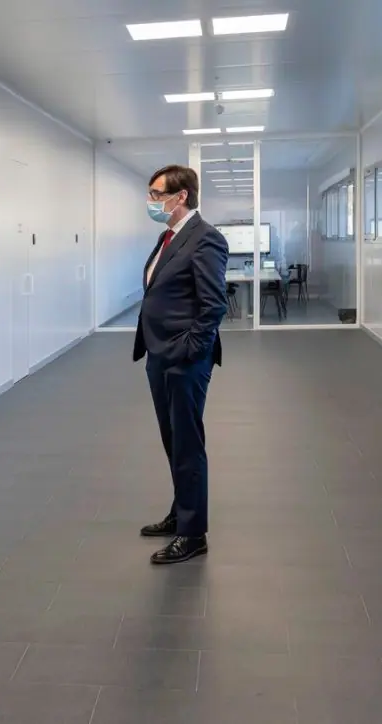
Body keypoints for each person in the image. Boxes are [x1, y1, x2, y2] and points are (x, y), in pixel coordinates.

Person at [133, 165, 230, 565]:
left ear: (182, 196)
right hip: (160, 355)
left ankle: (192, 535)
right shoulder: (169, 236)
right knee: (173, 440)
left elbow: (214, 304)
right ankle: (181, 512)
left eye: (157, 195)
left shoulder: (206, 238)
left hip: (184, 359)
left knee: (187, 444)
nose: (151, 201)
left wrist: (189, 351)